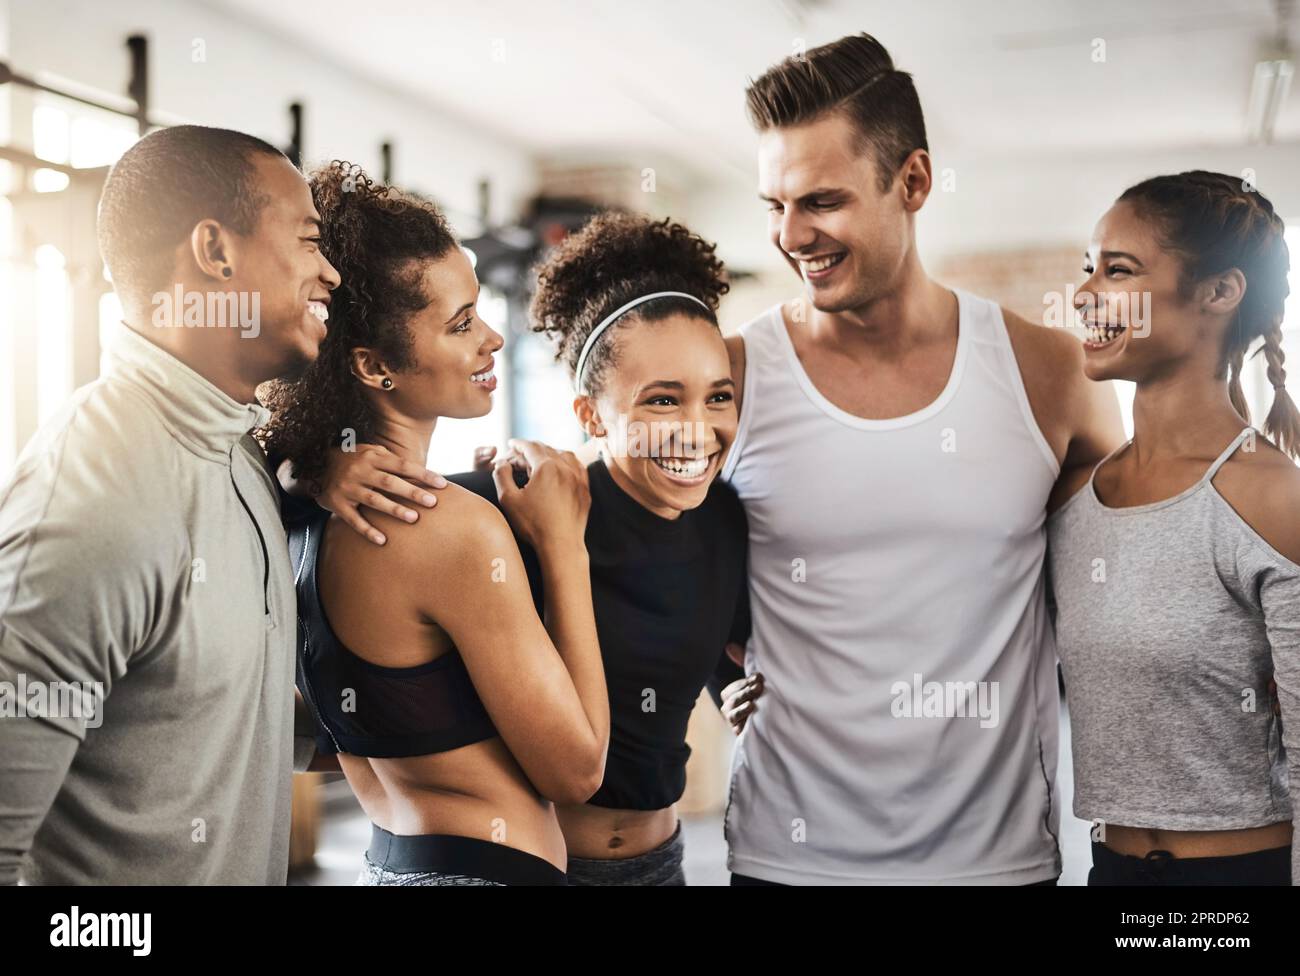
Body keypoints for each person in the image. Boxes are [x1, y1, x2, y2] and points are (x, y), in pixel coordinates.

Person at [718, 32, 1124, 885]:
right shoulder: (732, 376)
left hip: (995, 864)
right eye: (773, 205)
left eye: (820, 201)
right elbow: (612, 524)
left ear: (913, 182)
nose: (791, 236)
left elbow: (1129, 579)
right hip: (788, 860)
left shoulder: (1048, 374)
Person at [312, 212, 753, 885]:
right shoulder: (518, 505)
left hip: (662, 863)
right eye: (662, 401)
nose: (696, 431)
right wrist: (318, 467)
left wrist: (742, 692)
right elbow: (361, 505)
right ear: (591, 415)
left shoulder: (728, 519)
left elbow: (717, 652)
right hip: (538, 863)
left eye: (717, 396)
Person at [0, 125, 340, 884]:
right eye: (310, 242)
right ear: (216, 253)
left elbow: (228, 732)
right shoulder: (94, 496)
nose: (331, 276)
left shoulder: (242, 457)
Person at [260, 163, 609, 885]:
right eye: (459, 325)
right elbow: (576, 770)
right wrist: (562, 541)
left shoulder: (301, 507)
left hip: (392, 860)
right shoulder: (447, 527)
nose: (492, 340)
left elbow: (334, 734)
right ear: (373, 364)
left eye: (479, 309)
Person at [1048, 171, 1300, 886]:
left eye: (1117, 270)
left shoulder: (1274, 499)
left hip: (1240, 884)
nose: (1086, 293)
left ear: (1219, 293)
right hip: (1110, 873)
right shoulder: (1073, 501)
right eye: (1088, 268)